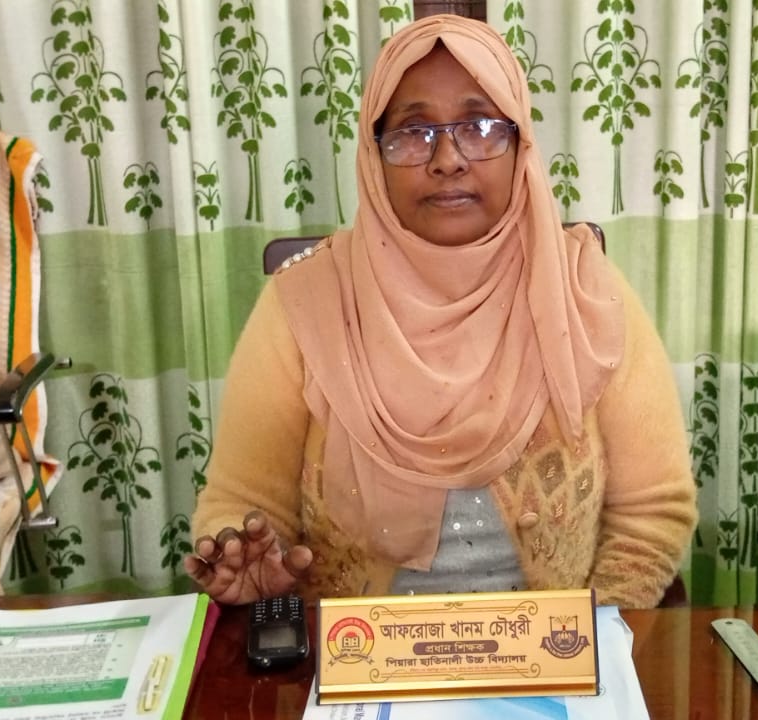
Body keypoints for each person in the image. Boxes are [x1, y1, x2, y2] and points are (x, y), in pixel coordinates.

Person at [186, 14, 695, 609]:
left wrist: (590, 641)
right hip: (358, 656)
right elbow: (242, 505)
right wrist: (248, 567)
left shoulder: (586, 290)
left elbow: (651, 513)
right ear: (374, 155)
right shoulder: (305, 303)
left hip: (553, 655)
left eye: (481, 126)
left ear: (520, 144)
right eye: (413, 131)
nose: (448, 158)